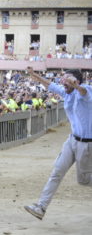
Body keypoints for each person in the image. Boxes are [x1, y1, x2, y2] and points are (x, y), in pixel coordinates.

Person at [24, 67, 92, 220]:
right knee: (57, 172)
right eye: (64, 79)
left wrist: (76, 85)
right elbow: (50, 85)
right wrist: (34, 74)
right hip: (72, 140)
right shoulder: (67, 93)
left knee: (84, 180)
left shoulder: (85, 89)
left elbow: (84, 93)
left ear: (76, 81)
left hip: (87, 145)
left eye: (67, 79)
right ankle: (41, 207)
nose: (63, 82)